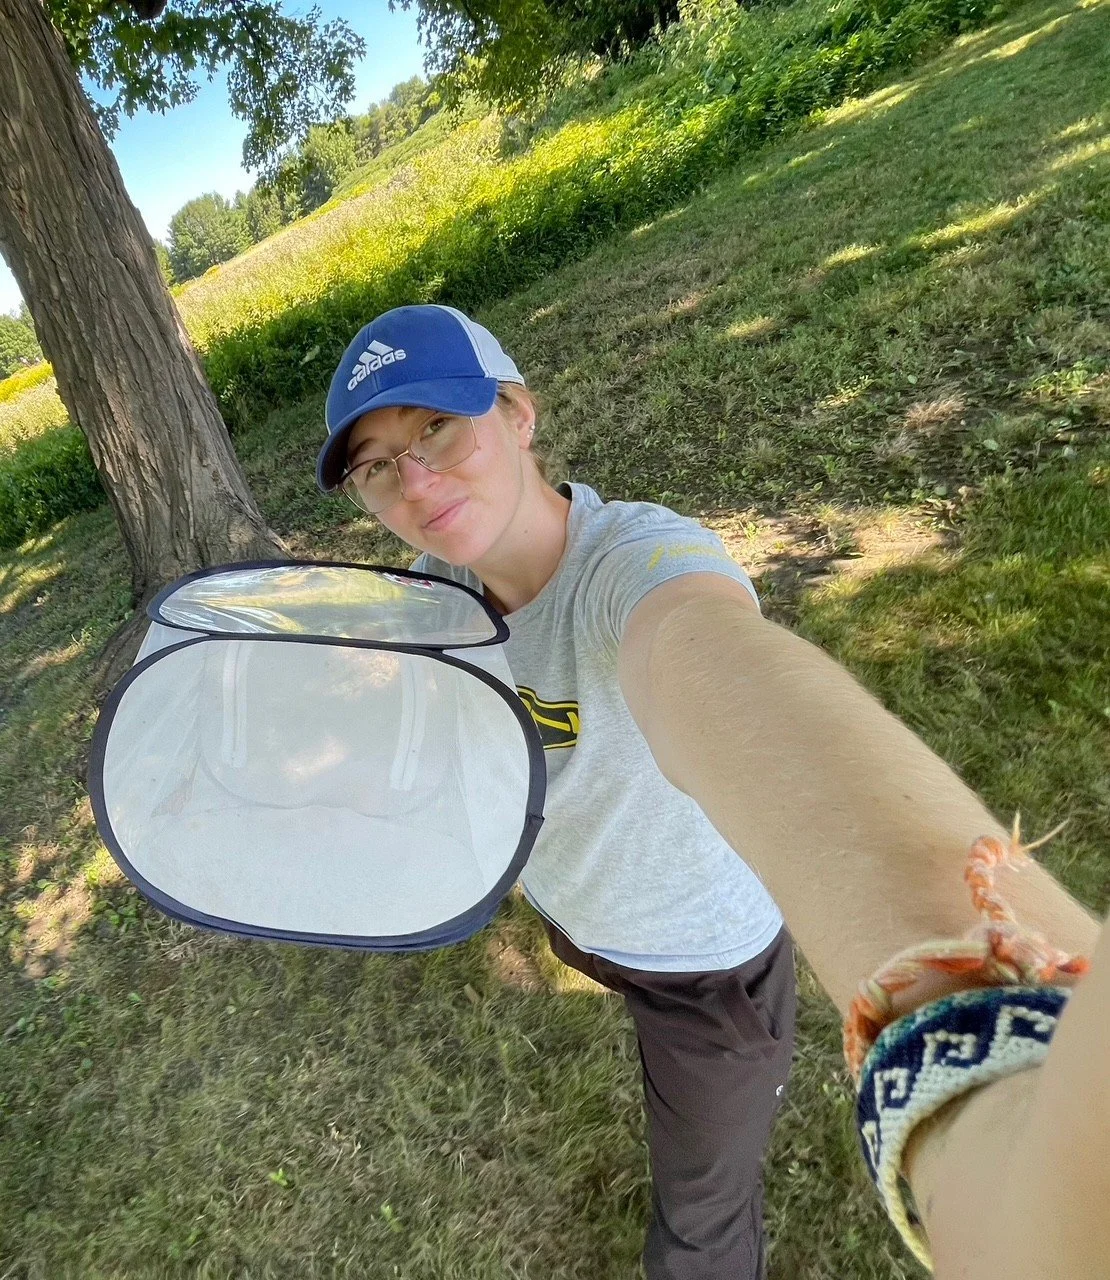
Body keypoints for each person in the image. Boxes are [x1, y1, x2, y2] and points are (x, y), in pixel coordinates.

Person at [316, 304, 1106, 1279]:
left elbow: (718, 672)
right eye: (375, 464)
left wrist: (996, 1035)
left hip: (706, 968)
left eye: (436, 426)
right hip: (588, 922)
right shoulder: (436, 590)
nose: (415, 478)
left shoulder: (633, 565)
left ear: (518, 413)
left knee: (701, 1210)